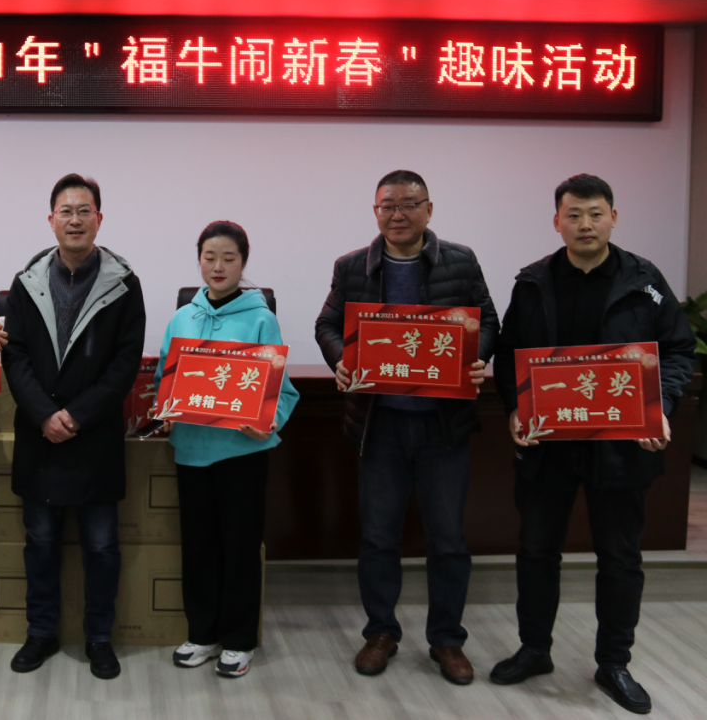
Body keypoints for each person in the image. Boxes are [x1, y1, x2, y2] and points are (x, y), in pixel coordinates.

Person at [490, 174, 695, 714]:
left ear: (613, 218)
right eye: (574, 215)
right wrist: (514, 405)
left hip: (621, 447)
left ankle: (614, 662)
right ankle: (535, 649)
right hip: (548, 444)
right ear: (557, 221)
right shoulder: (533, 282)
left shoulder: (644, 281)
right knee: (537, 549)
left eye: (595, 213)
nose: (585, 224)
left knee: (620, 556)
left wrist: (660, 405)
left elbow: (678, 350)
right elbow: (509, 353)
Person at [314, 169, 498, 685]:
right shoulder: (352, 266)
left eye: (409, 204)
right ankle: (381, 632)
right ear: (375, 211)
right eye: (388, 205)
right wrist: (340, 359)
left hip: (444, 426)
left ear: (429, 209)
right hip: (380, 426)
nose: (398, 214)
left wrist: (477, 357)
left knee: (449, 539)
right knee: (378, 538)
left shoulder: (460, 261)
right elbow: (326, 325)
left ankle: (447, 640)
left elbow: (488, 321)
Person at [2, 173, 146, 680]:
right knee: (40, 544)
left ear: (99, 219)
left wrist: (78, 415)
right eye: (66, 211)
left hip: (95, 437)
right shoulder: (26, 282)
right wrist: (45, 414)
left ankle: (99, 638)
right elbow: (15, 356)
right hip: (39, 436)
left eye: (85, 211)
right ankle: (40, 633)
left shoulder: (124, 284)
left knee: (102, 547)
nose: (75, 220)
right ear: (51, 220)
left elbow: (125, 364)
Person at [154, 221, 299, 678]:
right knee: (198, 547)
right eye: (210, 257)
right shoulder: (182, 318)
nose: (218, 267)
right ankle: (202, 633)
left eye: (229, 258)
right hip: (191, 450)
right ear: (199, 260)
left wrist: (269, 420)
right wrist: (165, 410)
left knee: (240, 548)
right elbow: (163, 381)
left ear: (243, 263)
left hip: (241, 453)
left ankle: (238, 640)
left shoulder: (261, 318)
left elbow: (282, 391)